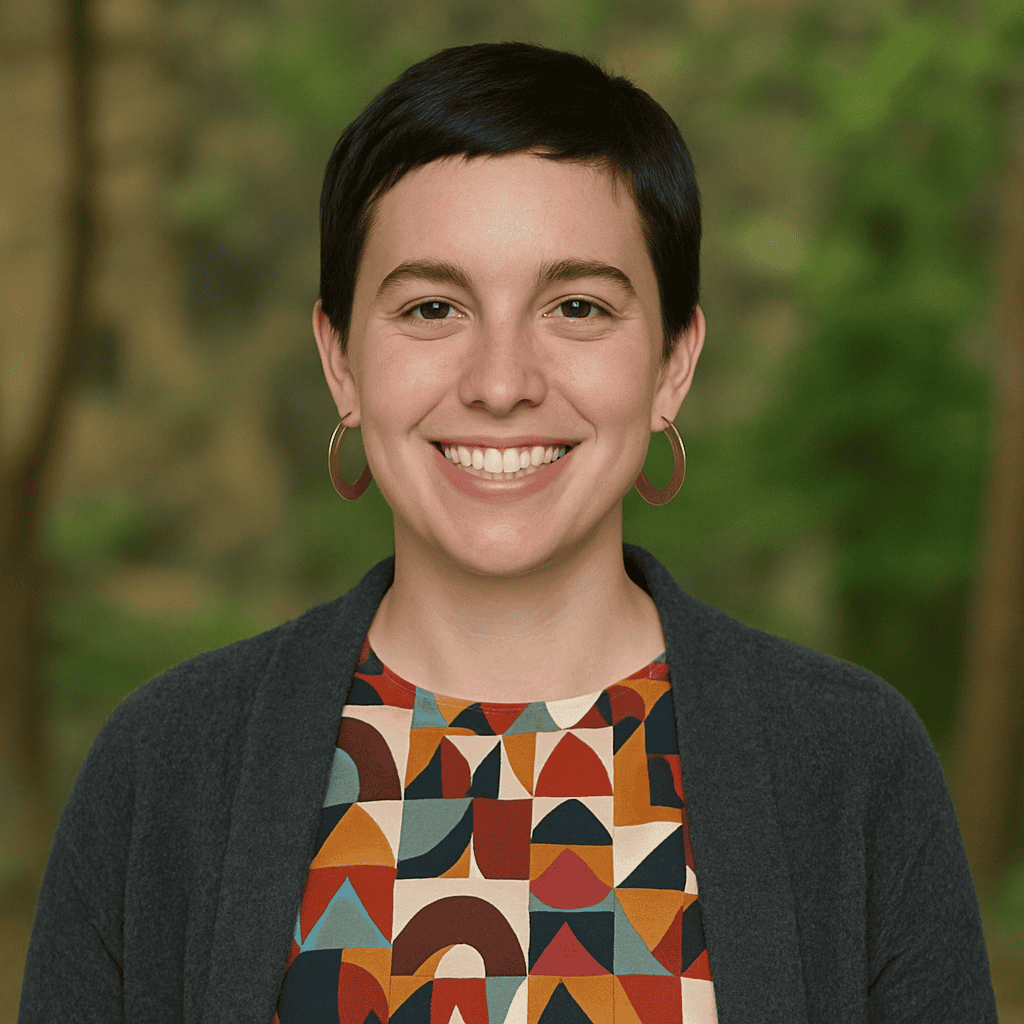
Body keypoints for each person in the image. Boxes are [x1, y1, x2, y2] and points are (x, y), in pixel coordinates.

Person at [19, 41, 997, 1024]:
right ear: (341, 361)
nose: (499, 382)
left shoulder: (849, 762)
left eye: (576, 306)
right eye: (432, 307)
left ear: (670, 364)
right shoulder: (166, 769)